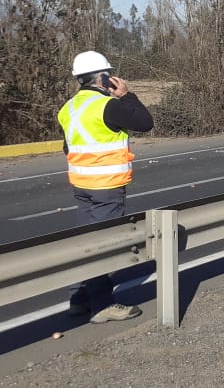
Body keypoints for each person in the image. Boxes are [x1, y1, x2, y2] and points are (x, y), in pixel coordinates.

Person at [58, 51, 154, 323]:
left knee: (86, 242)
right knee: (103, 246)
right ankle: (102, 306)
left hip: (81, 184)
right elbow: (145, 123)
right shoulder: (107, 106)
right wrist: (126, 95)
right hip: (106, 186)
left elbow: (68, 146)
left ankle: (78, 299)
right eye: (109, 74)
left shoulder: (69, 108)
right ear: (102, 77)